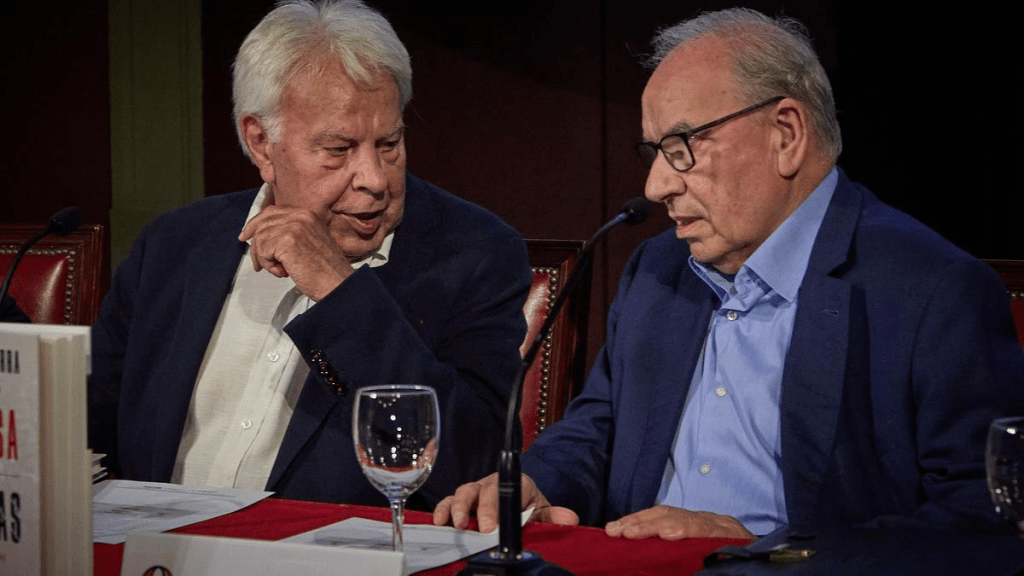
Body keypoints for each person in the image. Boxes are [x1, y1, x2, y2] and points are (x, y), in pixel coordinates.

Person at [434, 7, 1024, 539]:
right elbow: (598, 428)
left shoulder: (932, 290)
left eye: (682, 146)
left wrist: (763, 550)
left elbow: (983, 514)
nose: (656, 186)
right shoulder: (658, 269)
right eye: (654, 152)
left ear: (786, 135)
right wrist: (537, 483)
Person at [87, 0, 530, 510]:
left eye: (389, 143)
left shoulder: (474, 254)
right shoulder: (174, 246)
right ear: (261, 143)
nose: (375, 179)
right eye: (338, 150)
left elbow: (475, 466)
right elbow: (81, 427)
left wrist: (340, 293)